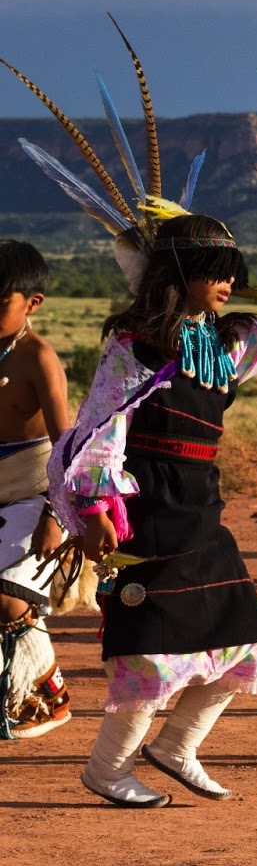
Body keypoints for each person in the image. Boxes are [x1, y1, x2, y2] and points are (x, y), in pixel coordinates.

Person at [7, 26, 257, 806]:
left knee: (243, 638)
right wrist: (97, 510)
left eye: (232, 276)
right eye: (216, 275)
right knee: (157, 651)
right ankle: (107, 769)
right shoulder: (138, 345)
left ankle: (176, 747)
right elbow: (100, 429)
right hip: (149, 513)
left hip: (200, 511)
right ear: (183, 277)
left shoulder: (215, 347)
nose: (229, 286)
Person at [0, 240, 74, 739]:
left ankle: (48, 698)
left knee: (6, 599)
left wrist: (56, 514)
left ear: (33, 303)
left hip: (35, 497)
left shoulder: (39, 359)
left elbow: (67, 447)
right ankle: (15, 698)